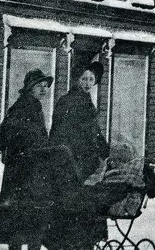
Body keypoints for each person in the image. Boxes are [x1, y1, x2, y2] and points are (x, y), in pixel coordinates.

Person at [47, 63, 109, 250]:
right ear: (76, 80)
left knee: (83, 205)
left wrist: (104, 149)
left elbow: (93, 131)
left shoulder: (86, 101)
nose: (88, 83)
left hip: (83, 163)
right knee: (74, 206)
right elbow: (60, 134)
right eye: (84, 79)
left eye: (91, 79)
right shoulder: (68, 101)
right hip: (70, 163)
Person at [0, 68, 54, 250]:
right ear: (29, 88)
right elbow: (6, 137)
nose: (43, 89)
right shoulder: (23, 107)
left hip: (29, 172)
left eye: (45, 86)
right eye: (39, 86)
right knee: (26, 219)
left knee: (23, 220)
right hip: (23, 173)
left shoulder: (33, 106)